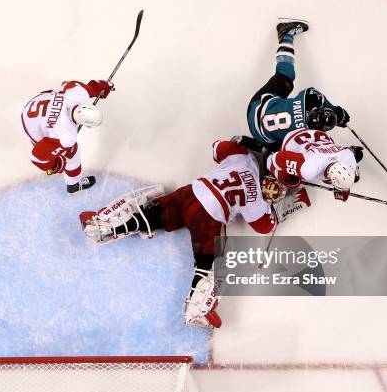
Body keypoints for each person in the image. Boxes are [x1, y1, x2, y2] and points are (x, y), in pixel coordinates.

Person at [78, 139, 284, 329]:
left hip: (191, 194)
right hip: (208, 217)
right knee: (211, 263)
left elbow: (217, 147)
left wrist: (241, 143)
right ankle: (197, 310)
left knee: (152, 214)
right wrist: (274, 207)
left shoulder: (241, 156)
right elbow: (265, 226)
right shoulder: (257, 197)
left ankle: (101, 226)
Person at [247, 18, 350, 149]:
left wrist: (337, 113)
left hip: (257, 108)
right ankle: (260, 147)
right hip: (261, 136)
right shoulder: (307, 136)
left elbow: (318, 98)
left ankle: (286, 35)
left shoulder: (307, 98)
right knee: (282, 147)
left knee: (285, 75)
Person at [21, 79, 113, 194]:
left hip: (35, 103)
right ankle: (73, 184)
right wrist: (55, 165)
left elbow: (69, 84)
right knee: (72, 152)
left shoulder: (78, 93)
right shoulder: (66, 136)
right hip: (31, 125)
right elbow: (37, 157)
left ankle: (71, 179)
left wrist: (99, 88)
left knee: (61, 94)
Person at [266, 128, 364, 201]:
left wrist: (344, 186)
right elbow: (276, 158)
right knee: (292, 181)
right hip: (294, 140)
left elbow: (353, 152)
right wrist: (287, 179)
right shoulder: (308, 169)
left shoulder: (350, 158)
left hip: (319, 137)